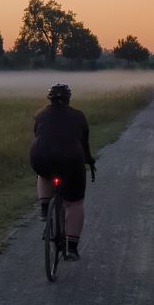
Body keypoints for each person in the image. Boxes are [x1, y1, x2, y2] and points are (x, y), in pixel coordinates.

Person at [29, 83, 95, 261]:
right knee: (74, 203)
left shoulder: (40, 115)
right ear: (68, 99)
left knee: (43, 174)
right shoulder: (78, 116)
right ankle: (72, 248)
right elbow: (84, 145)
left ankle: (44, 207)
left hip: (41, 157)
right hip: (71, 161)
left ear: (49, 99)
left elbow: (39, 137)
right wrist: (89, 160)